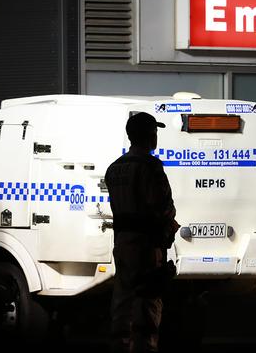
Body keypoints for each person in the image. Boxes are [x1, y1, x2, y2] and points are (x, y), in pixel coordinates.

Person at [105, 112, 180, 353]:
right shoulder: (150, 166)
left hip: (122, 244)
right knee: (148, 303)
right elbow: (163, 207)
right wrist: (169, 227)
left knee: (123, 302)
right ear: (149, 136)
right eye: (154, 132)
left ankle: (121, 346)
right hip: (147, 247)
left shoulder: (115, 168)